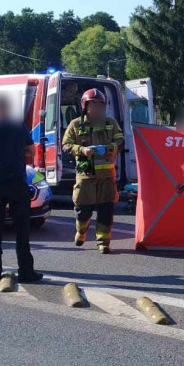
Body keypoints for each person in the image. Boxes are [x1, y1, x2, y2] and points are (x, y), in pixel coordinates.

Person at [0, 95, 43, 283]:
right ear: (8, 108)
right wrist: (16, 151)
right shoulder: (19, 126)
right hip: (16, 181)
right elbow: (31, 151)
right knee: (22, 228)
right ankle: (26, 271)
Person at [62, 88, 123, 253]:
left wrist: (109, 147)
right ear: (85, 106)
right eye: (92, 105)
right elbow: (66, 145)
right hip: (85, 175)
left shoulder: (110, 122)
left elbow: (120, 140)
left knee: (106, 210)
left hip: (107, 176)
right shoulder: (75, 124)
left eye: (99, 105)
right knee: (83, 210)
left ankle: (103, 242)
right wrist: (82, 150)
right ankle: (81, 231)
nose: (96, 108)